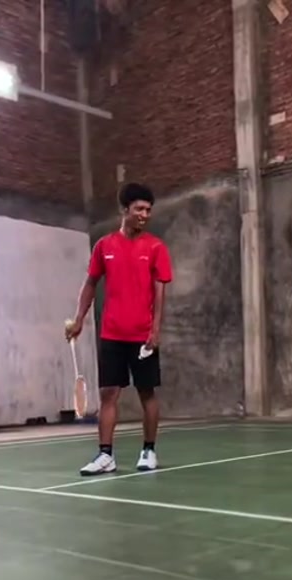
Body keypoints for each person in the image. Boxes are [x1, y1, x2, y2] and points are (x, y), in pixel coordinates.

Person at [66, 182, 173, 475]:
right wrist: (79, 319)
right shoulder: (104, 246)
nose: (145, 215)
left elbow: (160, 292)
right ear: (124, 209)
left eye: (148, 210)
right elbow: (90, 283)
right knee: (108, 395)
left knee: (146, 393)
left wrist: (155, 330)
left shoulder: (156, 247)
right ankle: (106, 456)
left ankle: (148, 450)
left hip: (142, 337)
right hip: (112, 334)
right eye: (139, 209)